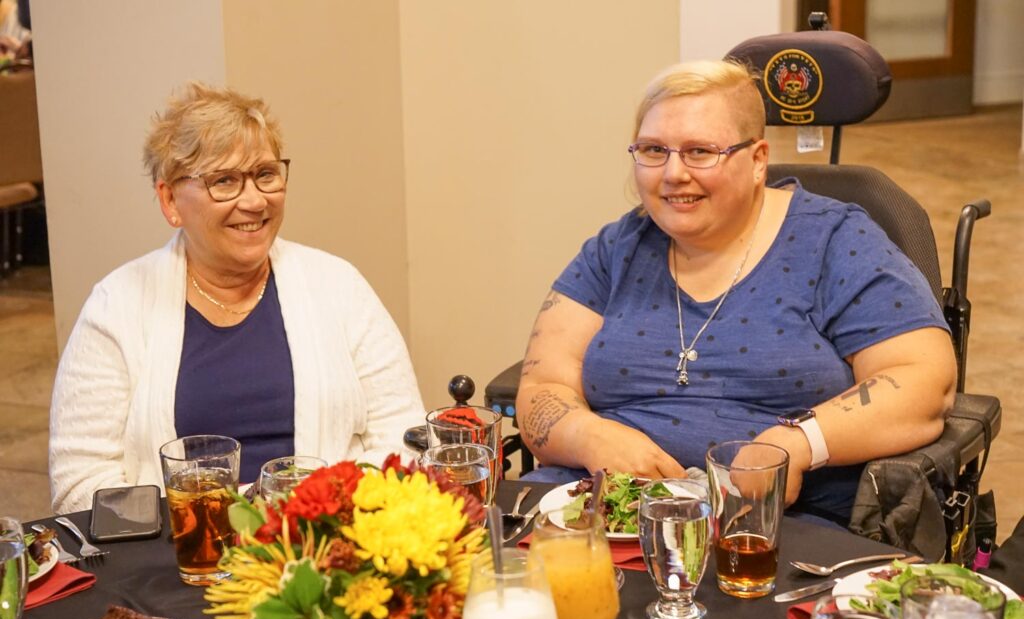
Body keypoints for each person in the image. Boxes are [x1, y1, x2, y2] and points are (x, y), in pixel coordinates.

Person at [515, 60, 957, 523]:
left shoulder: (834, 241)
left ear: (758, 160)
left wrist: (796, 443)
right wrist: (590, 437)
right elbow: (542, 386)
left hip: (773, 527)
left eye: (700, 151)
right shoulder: (615, 249)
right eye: (653, 150)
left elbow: (926, 381)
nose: (673, 174)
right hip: (603, 511)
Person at [49, 83, 424, 513]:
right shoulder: (116, 306)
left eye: (265, 174)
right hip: (179, 558)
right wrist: (212, 518)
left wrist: (312, 510)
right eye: (223, 181)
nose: (254, 200)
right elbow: (79, 484)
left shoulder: (339, 286)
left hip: (328, 546)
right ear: (170, 199)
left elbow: (405, 442)